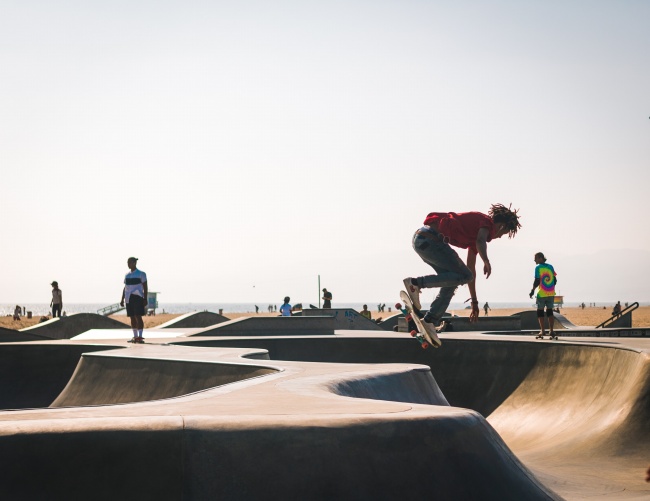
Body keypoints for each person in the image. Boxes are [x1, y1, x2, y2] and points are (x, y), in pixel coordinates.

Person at [403, 204, 522, 334]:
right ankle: (415, 284)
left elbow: (470, 271)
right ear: (501, 227)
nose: (498, 237)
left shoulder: (475, 236)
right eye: (503, 234)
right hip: (431, 240)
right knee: (462, 276)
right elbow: (481, 240)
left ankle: (429, 321)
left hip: (422, 241)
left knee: (453, 281)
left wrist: (474, 302)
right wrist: (486, 260)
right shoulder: (486, 223)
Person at [529, 252, 558, 338]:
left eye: (536, 258)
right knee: (550, 312)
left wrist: (532, 290)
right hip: (551, 292)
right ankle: (551, 331)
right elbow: (555, 280)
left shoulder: (538, 267)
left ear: (541, 258)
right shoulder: (551, 266)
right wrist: (549, 287)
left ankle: (542, 331)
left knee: (540, 312)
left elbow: (537, 280)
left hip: (542, 293)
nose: (534, 260)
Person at [120, 257, 148, 343]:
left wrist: (145, 298)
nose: (128, 264)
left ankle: (140, 336)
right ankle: (135, 336)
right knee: (132, 317)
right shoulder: (127, 275)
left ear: (134, 263)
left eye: (130, 262)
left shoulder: (141, 274)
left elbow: (145, 286)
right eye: (127, 262)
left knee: (138, 316)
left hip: (137, 296)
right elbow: (125, 288)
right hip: (128, 298)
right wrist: (122, 299)